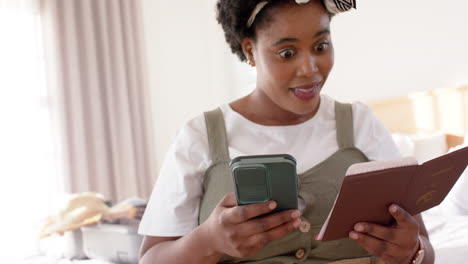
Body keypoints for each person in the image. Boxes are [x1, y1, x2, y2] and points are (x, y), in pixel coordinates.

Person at [138, 0, 435, 263]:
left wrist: (411, 253)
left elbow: (424, 248)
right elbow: (151, 259)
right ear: (250, 50)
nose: (309, 69)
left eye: (320, 47)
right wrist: (208, 241)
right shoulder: (200, 136)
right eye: (287, 52)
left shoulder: (361, 124)